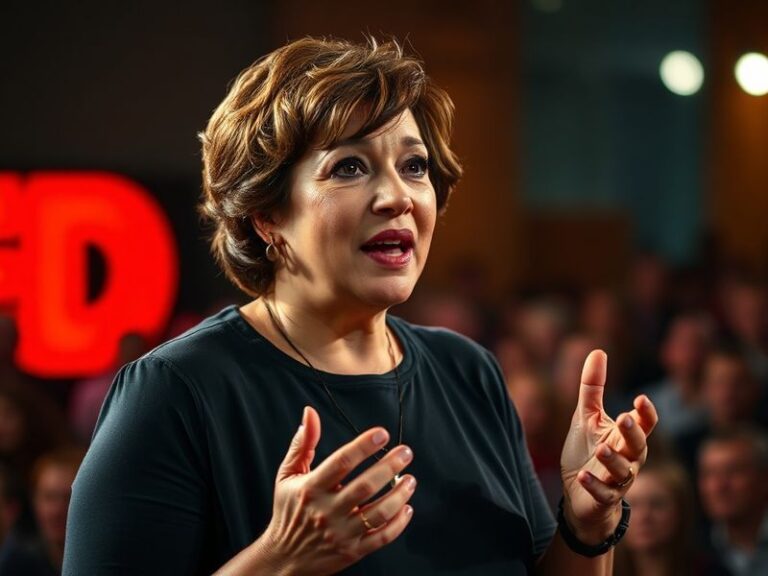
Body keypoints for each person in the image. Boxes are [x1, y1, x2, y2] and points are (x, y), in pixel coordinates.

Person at [63, 36, 657, 575]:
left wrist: (587, 522)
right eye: (349, 167)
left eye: (414, 166)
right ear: (266, 215)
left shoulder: (468, 371)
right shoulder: (175, 391)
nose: (397, 196)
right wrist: (278, 561)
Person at [0, 448, 84, 575]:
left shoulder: (102, 558)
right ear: (34, 501)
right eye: (49, 497)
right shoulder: (16, 563)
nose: (57, 510)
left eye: (68, 498)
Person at [698, 427, 768, 576]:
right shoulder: (692, 549)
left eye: (734, 471)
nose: (719, 486)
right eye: (709, 474)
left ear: (764, 479)